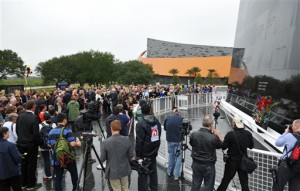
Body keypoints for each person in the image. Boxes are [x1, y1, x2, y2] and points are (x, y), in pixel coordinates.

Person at [217, 115, 254, 191]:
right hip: (243, 161)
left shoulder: (230, 134)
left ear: (234, 124)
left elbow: (224, 147)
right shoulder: (248, 134)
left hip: (232, 161)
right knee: (244, 183)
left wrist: (220, 138)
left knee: (225, 181)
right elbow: (251, 146)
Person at [48, 113, 81, 191]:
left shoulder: (51, 131)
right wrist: (78, 143)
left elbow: (49, 145)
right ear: (64, 120)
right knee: (74, 177)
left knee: (58, 179)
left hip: (56, 158)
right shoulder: (67, 130)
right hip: (68, 158)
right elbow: (72, 144)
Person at [189, 114, 223, 191]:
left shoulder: (194, 134)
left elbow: (191, 143)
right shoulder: (213, 137)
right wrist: (219, 135)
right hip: (209, 165)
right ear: (211, 124)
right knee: (208, 186)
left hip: (196, 163)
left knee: (195, 184)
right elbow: (222, 145)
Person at [16, 100, 43, 190]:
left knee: (23, 163)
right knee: (31, 164)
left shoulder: (19, 117)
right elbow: (36, 134)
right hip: (31, 145)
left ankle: (23, 183)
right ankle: (31, 184)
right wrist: (42, 144)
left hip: (21, 144)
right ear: (33, 107)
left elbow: (17, 130)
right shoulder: (34, 118)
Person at [100, 120, 133, 191]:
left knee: (116, 189)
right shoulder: (127, 139)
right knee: (126, 188)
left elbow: (102, 159)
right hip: (124, 169)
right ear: (120, 128)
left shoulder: (105, 142)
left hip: (113, 171)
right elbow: (131, 155)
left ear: (111, 128)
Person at [135, 104, 161, 191]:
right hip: (153, 151)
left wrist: (137, 154)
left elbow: (139, 141)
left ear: (141, 112)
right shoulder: (156, 121)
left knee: (142, 174)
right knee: (153, 171)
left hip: (144, 153)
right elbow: (158, 136)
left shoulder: (140, 124)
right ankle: (154, 188)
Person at [272, 119, 300, 191]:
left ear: (296, 126)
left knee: (277, 187)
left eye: (293, 126)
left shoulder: (290, 136)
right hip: (298, 168)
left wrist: (285, 132)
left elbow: (278, 143)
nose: (292, 127)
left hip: (286, 166)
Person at [163, 107, 184, 180]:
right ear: (179, 113)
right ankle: (176, 175)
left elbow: (165, 128)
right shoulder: (182, 119)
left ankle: (169, 171)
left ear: (172, 112)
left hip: (170, 140)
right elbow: (188, 128)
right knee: (178, 157)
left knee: (171, 155)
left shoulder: (167, 118)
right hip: (178, 140)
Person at [0, 127, 22, 191]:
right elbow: (17, 158)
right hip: (12, 173)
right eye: (8, 132)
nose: (9, 133)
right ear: (4, 134)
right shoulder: (10, 145)